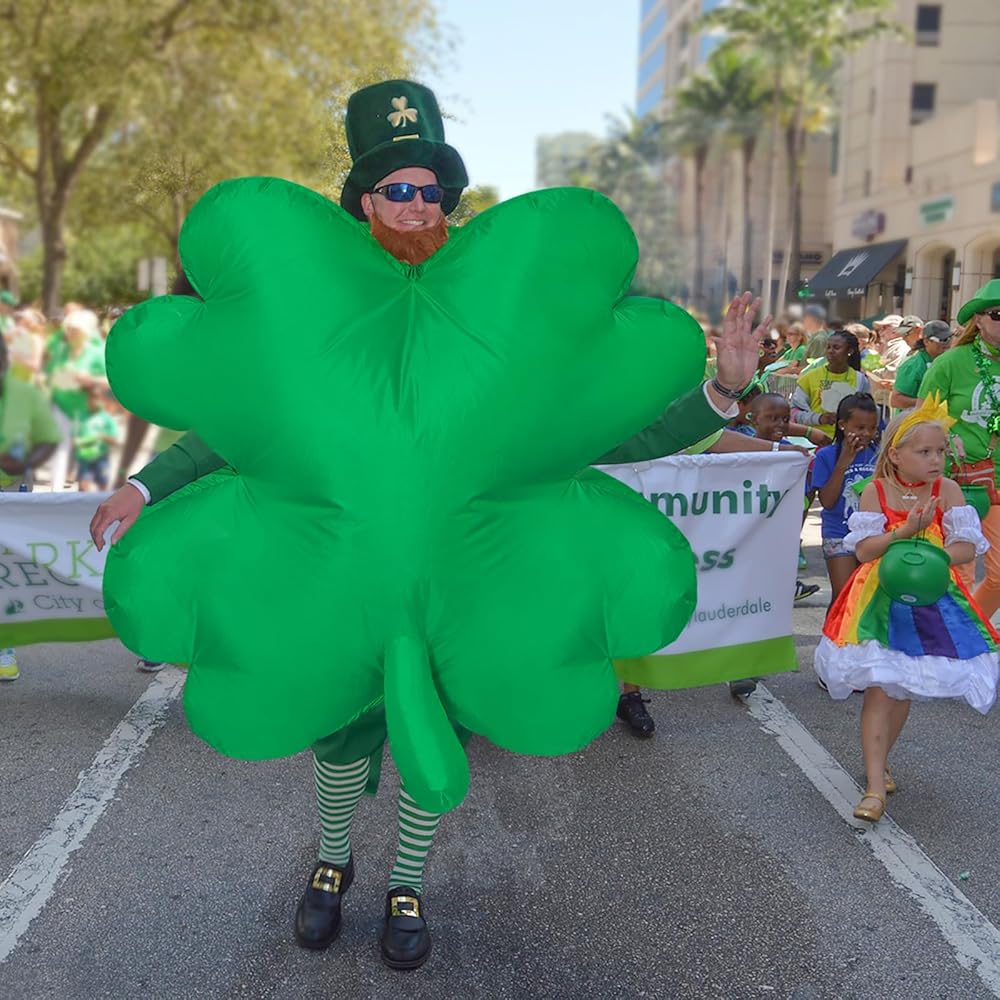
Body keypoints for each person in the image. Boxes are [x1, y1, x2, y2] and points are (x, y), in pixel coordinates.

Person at [89, 79, 768, 963]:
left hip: (468, 581)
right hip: (335, 574)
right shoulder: (315, 311)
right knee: (339, 732)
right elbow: (244, 428)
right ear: (363, 203)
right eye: (399, 189)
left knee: (438, 728)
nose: (419, 206)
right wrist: (143, 488)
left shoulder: (499, 320)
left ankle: (406, 883)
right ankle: (331, 864)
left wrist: (724, 389)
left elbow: (603, 431)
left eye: (434, 190)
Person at [814, 397, 999, 822]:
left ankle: (880, 763)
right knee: (881, 687)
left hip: (930, 599)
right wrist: (907, 530)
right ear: (896, 455)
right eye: (925, 452)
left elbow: (966, 547)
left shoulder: (947, 490)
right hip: (878, 601)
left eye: (940, 451)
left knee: (901, 689)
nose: (936, 460)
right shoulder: (875, 491)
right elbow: (864, 550)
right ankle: (874, 788)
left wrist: (933, 557)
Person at [918, 279, 1000, 618]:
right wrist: (946, 437)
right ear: (978, 320)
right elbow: (921, 418)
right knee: (958, 573)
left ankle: (972, 629)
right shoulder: (950, 363)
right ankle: (954, 639)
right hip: (958, 482)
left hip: (998, 483)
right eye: (998, 314)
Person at [0, 338, 61, 682]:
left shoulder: (24, 395)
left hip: (12, 497)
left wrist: (23, 462)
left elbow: (49, 439)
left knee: (4, 572)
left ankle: (4, 647)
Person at [811, 393, 880, 603]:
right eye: (860, 428)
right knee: (843, 596)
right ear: (842, 425)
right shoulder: (826, 455)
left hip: (872, 535)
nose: (866, 433)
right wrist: (844, 461)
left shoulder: (879, 455)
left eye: (872, 428)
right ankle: (833, 627)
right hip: (838, 533)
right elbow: (827, 501)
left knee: (866, 597)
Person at [45, 308, 108, 491]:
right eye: (69, 328)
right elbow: (51, 374)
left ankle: (86, 493)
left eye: (75, 329)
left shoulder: (96, 352)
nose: (71, 333)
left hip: (87, 409)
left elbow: (109, 381)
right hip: (61, 405)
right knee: (60, 448)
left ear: (85, 332)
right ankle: (55, 493)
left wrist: (89, 380)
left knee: (87, 452)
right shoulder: (61, 350)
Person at [791, 330, 871, 440]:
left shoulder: (860, 380)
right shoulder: (809, 378)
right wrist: (819, 418)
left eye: (836, 348)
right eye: (828, 347)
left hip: (848, 440)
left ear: (850, 351)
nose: (830, 351)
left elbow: (868, 411)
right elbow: (794, 412)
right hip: (814, 441)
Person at [889, 319, 952, 410]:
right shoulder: (913, 366)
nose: (946, 343)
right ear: (926, 341)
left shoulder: (947, 361)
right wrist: (928, 403)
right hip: (915, 417)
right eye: (942, 340)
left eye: (949, 338)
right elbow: (896, 400)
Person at [73, 385, 121, 491]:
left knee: (102, 486)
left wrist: (102, 437)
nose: (94, 401)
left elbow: (114, 440)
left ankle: (101, 500)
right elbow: (75, 436)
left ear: (103, 401)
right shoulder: (81, 416)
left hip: (101, 457)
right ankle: (83, 500)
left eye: (97, 398)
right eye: (91, 397)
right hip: (85, 457)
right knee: (83, 486)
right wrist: (77, 443)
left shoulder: (107, 418)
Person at [869, 314, 922, 392]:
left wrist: (873, 371)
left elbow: (892, 373)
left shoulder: (900, 347)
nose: (881, 332)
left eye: (884, 328)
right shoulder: (889, 347)